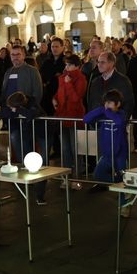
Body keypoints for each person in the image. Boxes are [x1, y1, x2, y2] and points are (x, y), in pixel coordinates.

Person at [83, 89, 129, 200]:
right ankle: (119, 182)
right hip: (107, 154)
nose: (106, 105)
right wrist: (100, 110)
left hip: (120, 154)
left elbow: (119, 122)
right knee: (98, 175)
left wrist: (107, 112)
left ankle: (124, 202)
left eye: (109, 103)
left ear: (118, 104)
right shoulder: (103, 115)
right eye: (105, 102)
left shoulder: (121, 114)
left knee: (122, 174)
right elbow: (86, 119)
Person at [53, 54, 86, 189]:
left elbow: (76, 98)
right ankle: (66, 177)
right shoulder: (63, 77)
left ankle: (77, 177)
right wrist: (54, 99)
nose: (66, 67)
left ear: (76, 66)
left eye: (69, 65)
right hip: (62, 115)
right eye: (66, 64)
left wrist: (68, 84)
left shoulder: (80, 79)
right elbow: (59, 93)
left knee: (75, 148)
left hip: (74, 117)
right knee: (65, 149)